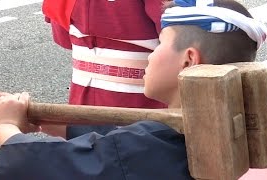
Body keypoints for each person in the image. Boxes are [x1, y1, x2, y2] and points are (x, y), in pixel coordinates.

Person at [0, 0, 267, 179]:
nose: (152, 53)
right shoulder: (214, 122)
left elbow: (53, 164)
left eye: (162, 42)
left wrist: (7, 127)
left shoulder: (143, 146)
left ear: (189, 60)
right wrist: (43, 122)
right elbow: (114, 143)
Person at [40, 0, 170, 138]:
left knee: (85, 150)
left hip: (83, 98)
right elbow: (180, 37)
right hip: (143, 102)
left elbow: (62, 39)